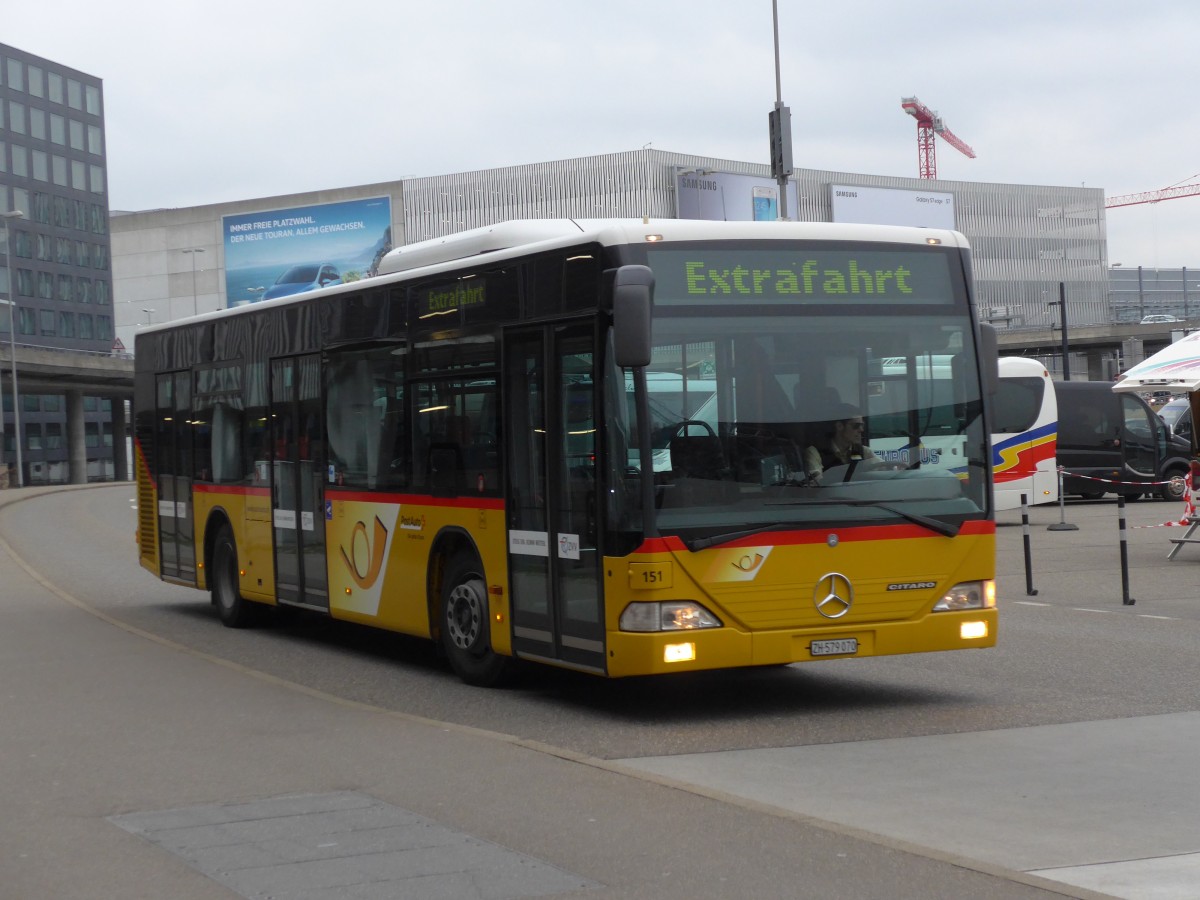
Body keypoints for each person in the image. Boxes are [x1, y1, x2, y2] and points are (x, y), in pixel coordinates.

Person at [804, 404, 884, 479]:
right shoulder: (815, 452)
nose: (861, 430)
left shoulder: (864, 451)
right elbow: (816, 484)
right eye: (856, 426)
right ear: (839, 426)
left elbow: (884, 468)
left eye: (862, 425)